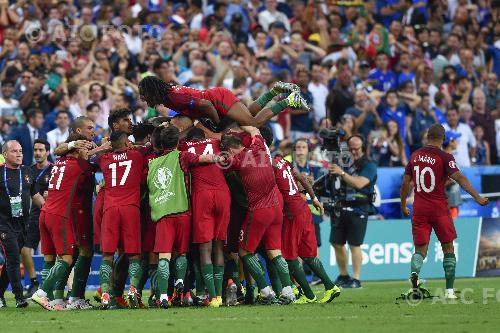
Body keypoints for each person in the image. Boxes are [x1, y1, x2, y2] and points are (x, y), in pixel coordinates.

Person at [400, 124, 488, 299]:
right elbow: (460, 177)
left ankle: (414, 281)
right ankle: (449, 291)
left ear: (427, 137)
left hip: (419, 208)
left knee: (420, 251)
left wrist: (403, 205)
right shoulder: (445, 157)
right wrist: (477, 197)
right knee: (448, 248)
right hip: (439, 208)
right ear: (443, 139)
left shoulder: (415, 156)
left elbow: (405, 183)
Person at [147, 125, 224, 308]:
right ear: (177, 142)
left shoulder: (151, 164)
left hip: (163, 214)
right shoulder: (182, 156)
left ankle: (164, 297)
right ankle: (180, 281)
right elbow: (203, 158)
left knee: (164, 257)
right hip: (183, 212)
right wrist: (217, 157)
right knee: (181, 253)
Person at [261, 127, 341, 304]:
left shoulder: (267, 163)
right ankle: (330, 286)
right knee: (308, 254)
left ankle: (308, 294)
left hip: (291, 213)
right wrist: (314, 199)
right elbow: (301, 177)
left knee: (289, 257)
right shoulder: (282, 161)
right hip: (303, 207)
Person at [221, 126, 295, 305]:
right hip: (276, 209)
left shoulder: (237, 160)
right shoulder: (260, 147)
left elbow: (221, 162)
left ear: (231, 150)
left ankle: (265, 290)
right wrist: (242, 121)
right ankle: (288, 291)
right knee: (275, 252)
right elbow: (254, 128)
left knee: (245, 251)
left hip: (259, 210)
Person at [31, 133, 95, 311]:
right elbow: (93, 165)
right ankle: (42, 293)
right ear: (77, 149)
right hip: (59, 215)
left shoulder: (58, 163)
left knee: (50, 257)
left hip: (44, 213)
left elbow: (61, 149)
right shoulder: (78, 166)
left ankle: (55, 300)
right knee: (67, 258)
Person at [178, 128, 231, 306]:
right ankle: (221, 296)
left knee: (204, 249)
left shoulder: (183, 146)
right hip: (223, 193)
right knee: (218, 246)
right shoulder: (215, 143)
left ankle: (214, 297)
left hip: (202, 195)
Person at [138, 76, 307, 129]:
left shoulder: (171, 98)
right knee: (249, 113)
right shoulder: (168, 93)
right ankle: (275, 91)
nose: (142, 98)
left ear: (152, 91)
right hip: (217, 96)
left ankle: (290, 100)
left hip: (218, 100)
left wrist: (218, 124)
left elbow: (206, 105)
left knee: (253, 124)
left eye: (143, 94)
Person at [96, 131, 145, 309]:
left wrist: (104, 147)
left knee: (107, 255)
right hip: (130, 208)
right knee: (133, 255)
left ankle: (106, 294)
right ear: (126, 143)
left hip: (110, 209)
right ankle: (133, 289)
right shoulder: (137, 155)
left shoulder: (104, 158)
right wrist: (133, 146)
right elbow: (150, 147)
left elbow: (93, 157)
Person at [328, 135, 377, 288]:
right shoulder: (343, 162)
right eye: (351, 149)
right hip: (340, 206)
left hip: (359, 207)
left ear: (363, 148)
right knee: (336, 243)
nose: (354, 152)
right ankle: (344, 276)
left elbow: (359, 183)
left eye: (357, 149)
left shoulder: (369, 165)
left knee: (355, 245)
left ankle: (356, 279)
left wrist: (341, 173)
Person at [0, 140, 44, 309]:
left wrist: (47, 209)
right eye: (14, 151)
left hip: (22, 224)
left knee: (11, 259)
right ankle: (19, 296)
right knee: (13, 257)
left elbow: (35, 194)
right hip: (4, 223)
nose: (19, 154)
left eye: (20, 151)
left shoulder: (27, 171)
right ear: (5, 155)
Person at [21, 139, 52, 299]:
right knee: (25, 250)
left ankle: (57, 286)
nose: (38, 153)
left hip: (52, 214)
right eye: (35, 150)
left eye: (41, 150)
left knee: (58, 252)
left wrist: (51, 194)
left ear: (47, 152)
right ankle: (33, 282)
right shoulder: (28, 170)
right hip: (34, 216)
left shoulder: (54, 169)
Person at [443, 131, 463, 219]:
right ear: (450, 142)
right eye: (455, 140)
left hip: (452, 199)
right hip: (448, 201)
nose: (457, 142)